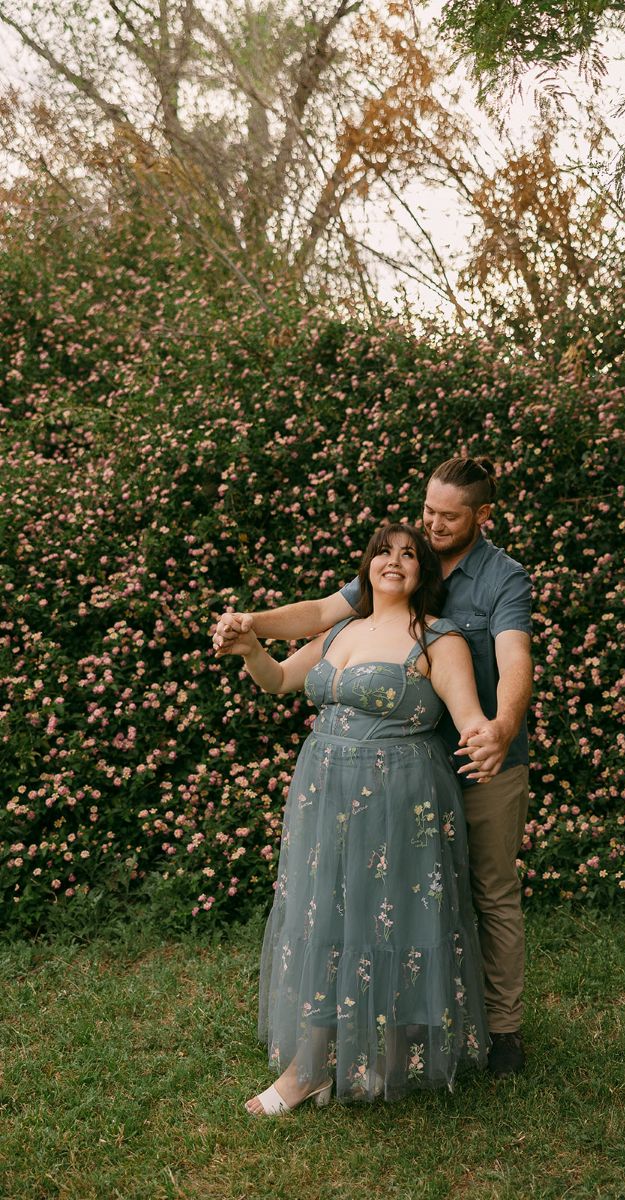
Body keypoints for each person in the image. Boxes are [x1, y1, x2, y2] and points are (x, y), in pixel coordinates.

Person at [214, 456, 533, 1077]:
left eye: (448, 518)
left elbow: (513, 658)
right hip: (366, 776)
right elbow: (310, 622)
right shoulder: (386, 578)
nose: (432, 527)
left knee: (487, 893)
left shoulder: (500, 580)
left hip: (475, 757)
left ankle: (501, 1030)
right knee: (374, 895)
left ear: (482, 516)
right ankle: (361, 1027)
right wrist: (252, 627)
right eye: (427, 513)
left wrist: (499, 729)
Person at [230, 524, 490, 1114]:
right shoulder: (342, 629)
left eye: (409, 555)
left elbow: (467, 713)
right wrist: (251, 651)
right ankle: (327, 1061)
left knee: (384, 917)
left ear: (423, 572)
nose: (394, 561)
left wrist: (486, 736)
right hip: (326, 789)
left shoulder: (437, 638)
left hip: (399, 795)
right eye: (383, 551)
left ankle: (325, 1065)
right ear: (367, 565)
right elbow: (277, 681)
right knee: (328, 916)